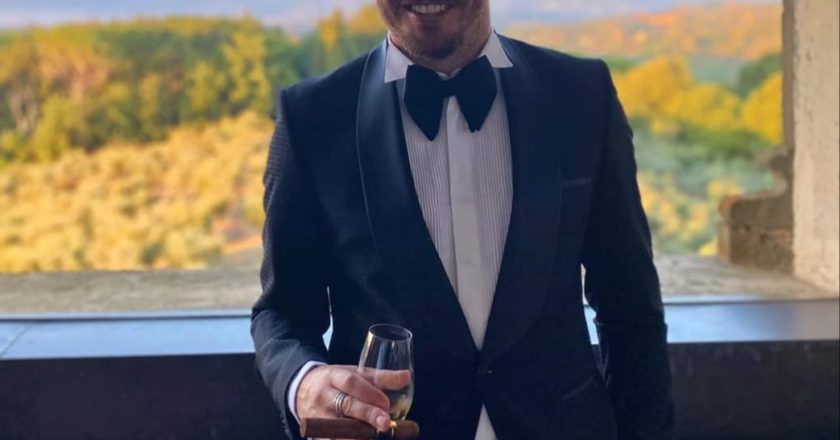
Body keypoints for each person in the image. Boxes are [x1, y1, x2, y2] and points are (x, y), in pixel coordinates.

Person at [251, 1, 675, 439]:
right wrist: (304, 383)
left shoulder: (583, 95)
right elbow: (282, 313)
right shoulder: (311, 117)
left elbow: (629, 304)